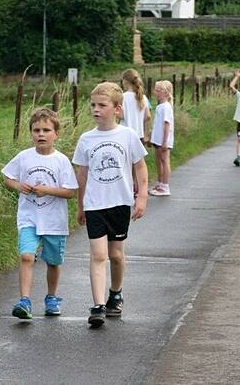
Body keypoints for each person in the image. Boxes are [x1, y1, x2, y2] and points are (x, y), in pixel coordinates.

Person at [72, 82, 148, 328]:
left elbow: (140, 166)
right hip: (95, 204)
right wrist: (80, 205)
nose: (96, 109)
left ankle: (115, 293)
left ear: (117, 109)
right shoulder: (86, 139)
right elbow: (82, 175)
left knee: (115, 254)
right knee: (98, 255)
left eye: (102, 105)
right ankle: (97, 305)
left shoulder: (126, 135)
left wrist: (142, 196)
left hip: (120, 203)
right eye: (93, 105)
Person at [2, 108, 79, 320]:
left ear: (56, 134)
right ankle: (24, 301)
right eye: (36, 130)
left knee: (53, 261)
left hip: (54, 221)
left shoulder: (61, 161)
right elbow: (7, 178)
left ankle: (51, 298)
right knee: (27, 256)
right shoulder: (23, 157)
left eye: (46, 130)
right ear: (31, 133)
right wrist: (18, 186)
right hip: (29, 218)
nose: (41, 134)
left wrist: (46, 190)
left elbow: (70, 192)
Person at [120, 69, 152, 196]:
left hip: (125, 134)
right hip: (139, 135)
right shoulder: (143, 97)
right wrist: (138, 119)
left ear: (125, 81)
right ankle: (137, 188)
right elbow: (148, 116)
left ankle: (128, 188)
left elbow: (120, 115)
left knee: (126, 164)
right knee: (138, 165)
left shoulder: (123, 97)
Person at [148, 80, 174, 197]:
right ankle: (159, 183)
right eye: (155, 90)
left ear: (165, 93)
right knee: (158, 161)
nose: (155, 92)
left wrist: (164, 141)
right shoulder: (160, 106)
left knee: (164, 161)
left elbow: (167, 124)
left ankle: (165, 186)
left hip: (163, 140)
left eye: (158, 90)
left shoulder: (166, 107)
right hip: (157, 139)